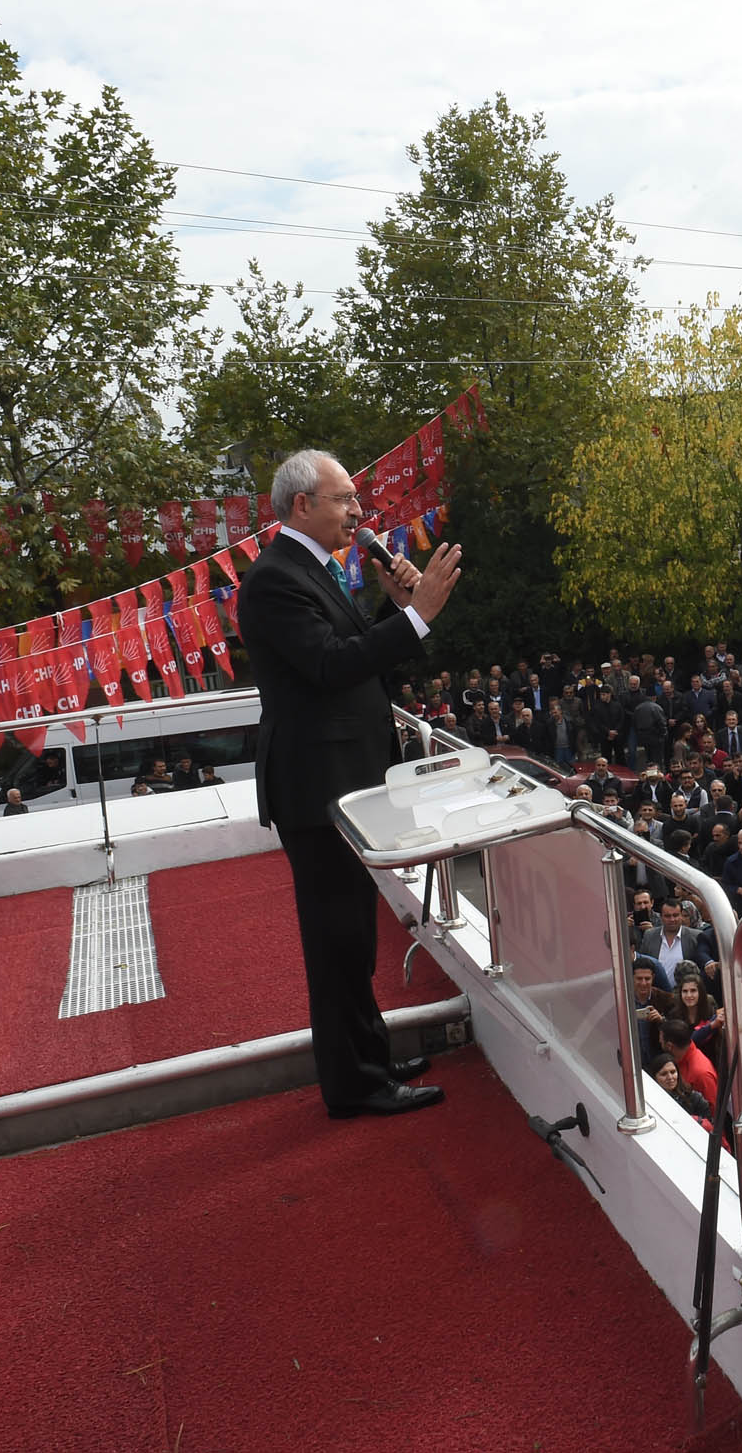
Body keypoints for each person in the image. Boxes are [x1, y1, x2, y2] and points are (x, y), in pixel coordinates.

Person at [236, 448, 462, 1119]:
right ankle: (355, 1084)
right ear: (302, 504)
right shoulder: (275, 580)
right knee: (336, 942)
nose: (360, 512)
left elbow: (358, 664)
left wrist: (397, 609)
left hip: (345, 783)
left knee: (355, 934)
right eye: (345, 500)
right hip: (315, 788)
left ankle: (371, 1057)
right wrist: (417, 616)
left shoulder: (321, 570)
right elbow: (330, 666)